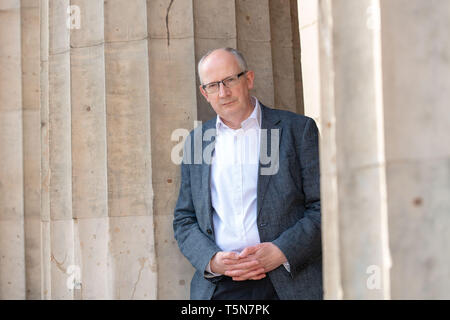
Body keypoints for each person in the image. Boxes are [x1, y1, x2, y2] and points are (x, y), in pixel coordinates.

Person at [173, 47, 322, 300]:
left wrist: (281, 251)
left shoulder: (298, 130)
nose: (224, 92)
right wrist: (212, 260)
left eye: (230, 80)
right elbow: (184, 219)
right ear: (204, 93)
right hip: (221, 286)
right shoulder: (196, 142)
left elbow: (324, 207)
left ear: (249, 79)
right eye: (213, 85)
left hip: (287, 282)